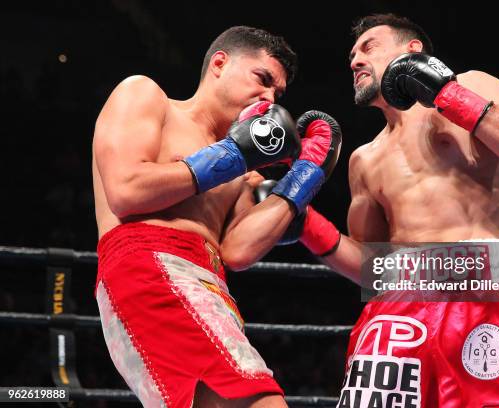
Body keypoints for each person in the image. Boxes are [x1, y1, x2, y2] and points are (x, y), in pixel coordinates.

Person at [263, 13, 499, 407]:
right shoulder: (364, 159)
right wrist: (306, 223)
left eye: (368, 47)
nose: (354, 61)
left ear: (413, 50)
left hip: (481, 291)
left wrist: (447, 93)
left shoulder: (472, 86)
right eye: (352, 54)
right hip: (396, 311)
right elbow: (372, 270)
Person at [92, 25, 341, 408]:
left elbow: (239, 251)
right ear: (220, 64)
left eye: (278, 92)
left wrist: (304, 175)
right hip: (151, 268)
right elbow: (125, 191)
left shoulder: (245, 167)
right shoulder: (147, 96)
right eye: (263, 79)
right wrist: (232, 156)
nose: (269, 96)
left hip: (212, 286)